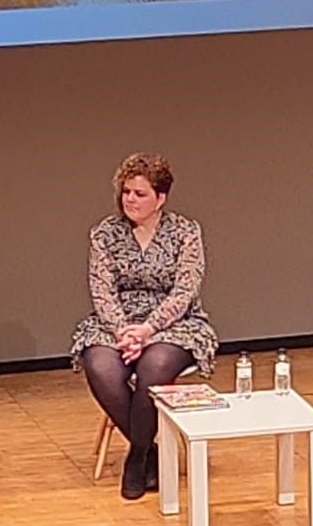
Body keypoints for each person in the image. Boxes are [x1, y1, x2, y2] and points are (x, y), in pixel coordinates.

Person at [72, 152, 218, 500]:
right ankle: (150, 448)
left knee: (154, 365)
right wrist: (124, 330)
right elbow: (101, 290)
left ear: (160, 198)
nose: (131, 200)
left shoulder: (185, 232)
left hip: (173, 323)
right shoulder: (105, 234)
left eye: (140, 194)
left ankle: (136, 457)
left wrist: (148, 330)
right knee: (100, 365)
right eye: (127, 193)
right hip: (117, 323)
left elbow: (185, 290)